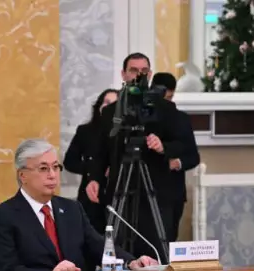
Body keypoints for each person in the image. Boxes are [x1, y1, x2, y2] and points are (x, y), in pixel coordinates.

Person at [0, 139, 157, 271]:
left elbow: (97, 245)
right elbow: (6, 270)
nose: (52, 175)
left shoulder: (71, 208)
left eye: (55, 167)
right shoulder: (1, 216)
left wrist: (131, 262)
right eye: (43, 169)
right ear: (23, 175)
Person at [85, 53, 189, 259]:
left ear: (150, 74)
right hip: (120, 190)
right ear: (123, 74)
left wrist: (162, 147)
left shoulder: (166, 109)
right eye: (133, 70)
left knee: (155, 253)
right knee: (119, 251)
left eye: (143, 71)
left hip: (155, 193)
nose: (138, 76)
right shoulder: (111, 112)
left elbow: (183, 145)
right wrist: (94, 178)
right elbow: (100, 151)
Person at [150, 72, 200, 241]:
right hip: (144, 191)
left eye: (169, 98)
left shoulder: (181, 119)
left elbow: (193, 157)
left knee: (168, 241)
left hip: (171, 193)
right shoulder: (143, 117)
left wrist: (177, 162)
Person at [64, 88, 118, 232]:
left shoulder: (122, 134)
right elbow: (69, 162)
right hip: (90, 194)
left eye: (114, 104)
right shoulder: (85, 131)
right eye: (107, 102)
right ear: (99, 105)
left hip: (116, 195)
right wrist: (94, 169)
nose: (109, 108)